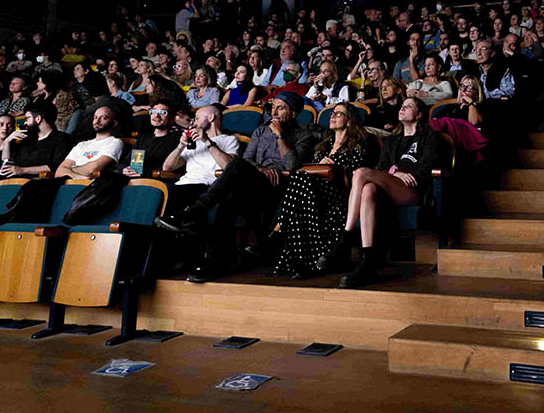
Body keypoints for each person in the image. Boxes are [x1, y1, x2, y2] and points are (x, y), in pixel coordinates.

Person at [155, 93, 318, 281]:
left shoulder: (303, 135)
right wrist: (261, 169)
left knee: (234, 176)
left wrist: (279, 135)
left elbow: (291, 164)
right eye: (273, 107)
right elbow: (247, 160)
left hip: (279, 187)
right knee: (232, 190)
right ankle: (215, 259)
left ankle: (194, 217)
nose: (274, 112)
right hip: (255, 181)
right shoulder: (260, 132)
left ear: (294, 113)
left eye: (280, 108)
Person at [339, 97, 438, 288]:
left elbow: (428, 167)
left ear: (419, 114)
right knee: (368, 189)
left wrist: (402, 175)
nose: (402, 108)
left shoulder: (429, 136)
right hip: (391, 186)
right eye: (402, 106)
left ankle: (346, 235)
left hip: (412, 190)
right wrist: (395, 173)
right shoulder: (392, 140)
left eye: (408, 106)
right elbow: (381, 168)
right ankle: (368, 259)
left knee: (360, 173)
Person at [273, 102, 372, 279]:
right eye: (332, 113)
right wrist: (320, 166)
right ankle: (301, 263)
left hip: (341, 194)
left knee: (300, 183)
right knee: (301, 183)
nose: (332, 116)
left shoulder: (359, 145)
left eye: (339, 114)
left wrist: (336, 167)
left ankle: (279, 228)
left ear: (349, 121)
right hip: (316, 192)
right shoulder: (323, 145)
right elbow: (311, 170)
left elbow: (356, 177)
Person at [0, 100, 74, 178]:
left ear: (38, 118)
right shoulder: (26, 138)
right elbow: (6, 162)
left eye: (27, 118)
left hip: (38, 183)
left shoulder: (62, 138)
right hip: (13, 180)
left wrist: (22, 170)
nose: (25, 123)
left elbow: (56, 166)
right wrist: (7, 142)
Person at [55, 106, 125, 178]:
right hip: (70, 183)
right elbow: (59, 172)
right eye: (95, 117)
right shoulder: (82, 145)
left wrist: (69, 170)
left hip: (93, 186)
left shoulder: (115, 142)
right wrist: (79, 177)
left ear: (114, 123)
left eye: (104, 118)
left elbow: (92, 169)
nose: (97, 121)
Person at [121, 99, 183, 178]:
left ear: (172, 118)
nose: (157, 115)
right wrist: (124, 169)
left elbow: (169, 170)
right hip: (134, 179)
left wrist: (144, 173)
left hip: (157, 182)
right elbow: (126, 162)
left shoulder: (177, 139)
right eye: (153, 112)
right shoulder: (144, 137)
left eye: (163, 112)